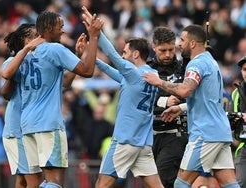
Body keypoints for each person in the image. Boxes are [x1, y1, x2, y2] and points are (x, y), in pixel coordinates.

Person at [1, 10, 104, 188]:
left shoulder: (24, 58)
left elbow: (63, 81)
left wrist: (78, 57)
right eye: (60, 27)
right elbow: (88, 71)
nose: (63, 31)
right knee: (54, 182)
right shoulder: (53, 49)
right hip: (48, 123)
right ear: (49, 28)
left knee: (32, 182)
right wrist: (93, 37)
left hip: (27, 126)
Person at [143, 24, 240, 188]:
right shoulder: (211, 62)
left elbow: (185, 90)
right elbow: (208, 100)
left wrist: (159, 82)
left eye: (182, 40)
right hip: (220, 132)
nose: (179, 44)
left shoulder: (196, 65)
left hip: (205, 133)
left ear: (193, 43)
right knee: (230, 184)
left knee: (180, 184)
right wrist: (180, 108)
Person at [81, 6, 164, 188]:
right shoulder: (151, 76)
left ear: (135, 54)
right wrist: (90, 55)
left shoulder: (134, 74)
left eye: (125, 52)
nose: (122, 54)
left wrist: (96, 34)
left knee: (102, 184)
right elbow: (111, 70)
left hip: (125, 140)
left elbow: (111, 55)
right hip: (143, 142)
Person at [1, 23, 44, 188]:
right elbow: (5, 88)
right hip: (16, 130)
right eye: (34, 36)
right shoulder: (12, 61)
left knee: (23, 180)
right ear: (24, 41)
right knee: (35, 180)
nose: (38, 39)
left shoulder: (40, 63)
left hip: (30, 130)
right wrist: (24, 53)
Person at [147, 26, 188, 188]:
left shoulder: (184, 69)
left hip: (175, 134)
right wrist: (164, 101)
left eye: (171, 49)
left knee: (162, 179)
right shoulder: (146, 69)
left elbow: (192, 97)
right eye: (162, 50)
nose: (168, 54)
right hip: (150, 135)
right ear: (154, 47)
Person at [232, 56, 246, 188]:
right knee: (240, 184)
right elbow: (233, 121)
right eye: (245, 69)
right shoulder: (236, 93)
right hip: (244, 146)